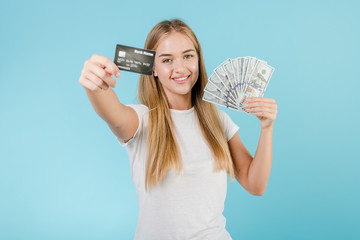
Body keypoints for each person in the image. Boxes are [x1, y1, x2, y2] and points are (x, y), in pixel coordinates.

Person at [78, 19, 277, 240]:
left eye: (188, 56)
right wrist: (94, 85)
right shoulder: (142, 120)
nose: (180, 68)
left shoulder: (218, 121)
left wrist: (266, 128)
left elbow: (255, 184)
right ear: (153, 68)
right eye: (167, 60)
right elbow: (113, 114)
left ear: (198, 59)